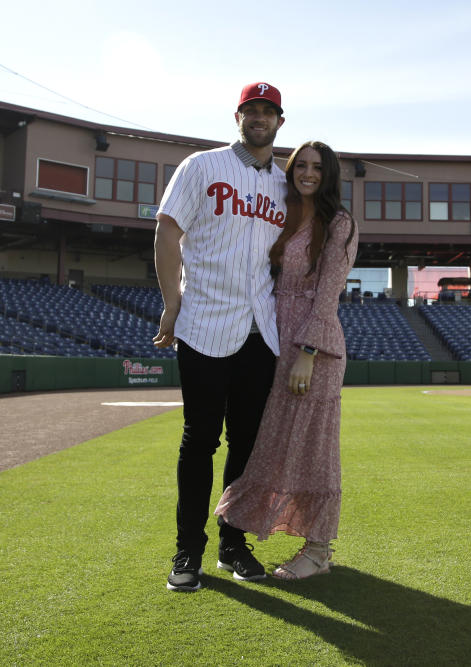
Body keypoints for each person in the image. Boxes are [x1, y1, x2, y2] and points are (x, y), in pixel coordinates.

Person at [154, 82, 287, 592]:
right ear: (237, 116)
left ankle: (233, 543)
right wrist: (172, 302)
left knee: (247, 444)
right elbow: (167, 230)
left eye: (267, 110)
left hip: (261, 330)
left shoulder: (284, 184)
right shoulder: (202, 166)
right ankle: (189, 552)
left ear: (280, 121)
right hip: (206, 322)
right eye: (251, 109)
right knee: (200, 440)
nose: (259, 117)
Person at [214, 140, 358, 580]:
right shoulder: (281, 214)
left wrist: (307, 354)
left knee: (314, 446)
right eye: (301, 166)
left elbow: (328, 294)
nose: (308, 173)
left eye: (318, 167)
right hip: (273, 337)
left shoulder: (339, 223)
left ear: (329, 174)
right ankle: (235, 536)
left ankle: (317, 551)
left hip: (312, 348)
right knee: (272, 442)